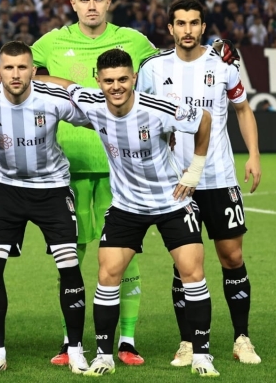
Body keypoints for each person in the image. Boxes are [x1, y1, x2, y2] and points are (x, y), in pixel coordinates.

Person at [30, 0, 238, 365]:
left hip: (145, 186)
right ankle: (78, 344)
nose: (92, 6)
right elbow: (31, 72)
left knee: (143, 264)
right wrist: (8, 73)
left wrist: (214, 50)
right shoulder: (56, 47)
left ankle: (136, 342)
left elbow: (177, 61)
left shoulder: (138, 48)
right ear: (72, 4)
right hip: (76, 173)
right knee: (77, 260)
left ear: (109, 2)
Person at [50, 48, 219, 377]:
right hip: (127, 206)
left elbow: (204, 120)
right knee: (107, 275)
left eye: (123, 79)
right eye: (109, 81)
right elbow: (66, 85)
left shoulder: (157, 109)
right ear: (98, 80)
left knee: (192, 273)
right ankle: (104, 356)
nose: (116, 87)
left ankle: (202, 355)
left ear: (134, 78)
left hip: (171, 202)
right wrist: (26, 76)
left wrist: (195, 170)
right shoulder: (92, 102)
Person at [135, 0, 261, 366]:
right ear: (170, 28)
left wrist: (254, 154)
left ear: (203, 27)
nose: (187, 29)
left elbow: (243, 109)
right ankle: (188, 342)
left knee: (232, 257)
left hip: (220, 178)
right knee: (185, 265)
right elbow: (141, 116)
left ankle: (242, 338)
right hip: (176, 185)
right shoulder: (153, 68)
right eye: (180, 23)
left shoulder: (223, 65)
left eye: (194, 23)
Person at [0, 41, 88, 375]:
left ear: (34, 71)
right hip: (4, 190)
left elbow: (98, 118)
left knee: (69, 266)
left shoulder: (54, 99)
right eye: (9, 67)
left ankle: (75, 350)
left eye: (22, 67)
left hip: (52, 189)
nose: (15, 74)